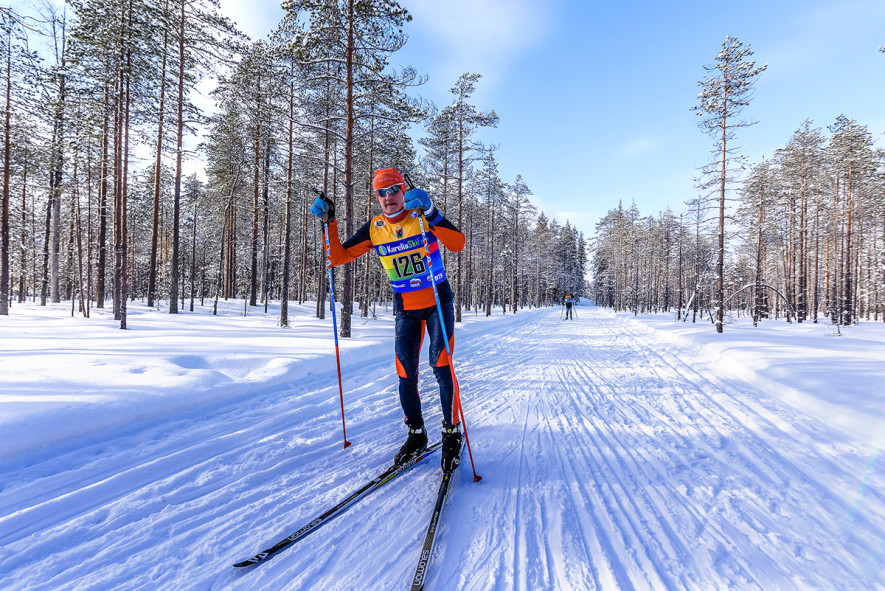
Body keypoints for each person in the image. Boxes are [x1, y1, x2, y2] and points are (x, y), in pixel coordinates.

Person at [310, 168, 466, 472]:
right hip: (406, 307)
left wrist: (433, 212)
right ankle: (416, 434)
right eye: (380, 193)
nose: (388, 197)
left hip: (437, 302)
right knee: (405, 372)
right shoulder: (375, 227)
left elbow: (457, 244)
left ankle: (451, 433)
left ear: (403, 190)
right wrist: (330, 222)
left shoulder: (420, 216)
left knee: (440, 365)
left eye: (393, 190)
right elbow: (338, 257)